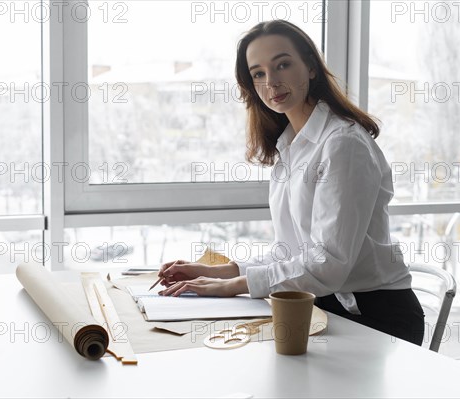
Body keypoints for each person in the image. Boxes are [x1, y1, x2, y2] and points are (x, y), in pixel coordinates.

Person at [158, 20, 424, 345]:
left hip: (375, 317)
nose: (271, 82)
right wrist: (220, 271)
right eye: (258, 73)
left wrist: (232, 286)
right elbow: (293, 252)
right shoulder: (290, 146)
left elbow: (328, 265)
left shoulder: (343, 144)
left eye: (282, 64)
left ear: (310, 67)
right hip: (323, 304)